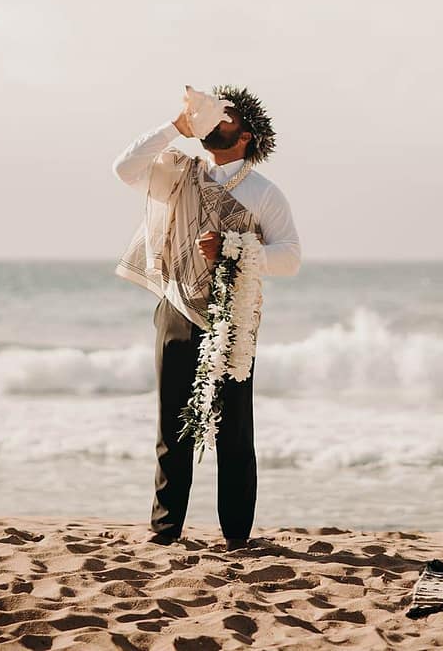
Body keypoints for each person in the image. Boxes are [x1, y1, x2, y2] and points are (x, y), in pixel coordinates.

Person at [111, 84, 301, 550]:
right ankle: (165, 532)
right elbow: (124, 168)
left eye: (226, 117)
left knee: (234, 433)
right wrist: (177, 127)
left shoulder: (264, 193)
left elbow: (290, 258)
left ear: (247, 135)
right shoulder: (177, 172)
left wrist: (234, 248)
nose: (215, 120)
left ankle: (236, 537)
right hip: (175, 308)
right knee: (170, 427)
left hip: (233, 319)